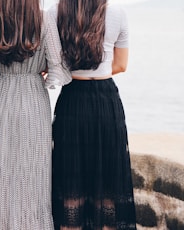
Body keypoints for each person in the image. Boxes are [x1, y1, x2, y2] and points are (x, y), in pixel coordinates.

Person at [0, 0, 71, 229]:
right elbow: (58, 67)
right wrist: (40, 72)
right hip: (33, 101)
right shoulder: (43, 18)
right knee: (33, 172)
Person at [48, 0, 137, 229]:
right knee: (107, 180)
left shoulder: (55, 11)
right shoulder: (117, 12)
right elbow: (121, 65)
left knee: (70, 180)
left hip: (72, 99)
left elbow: (50, 64)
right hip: (105, 100)